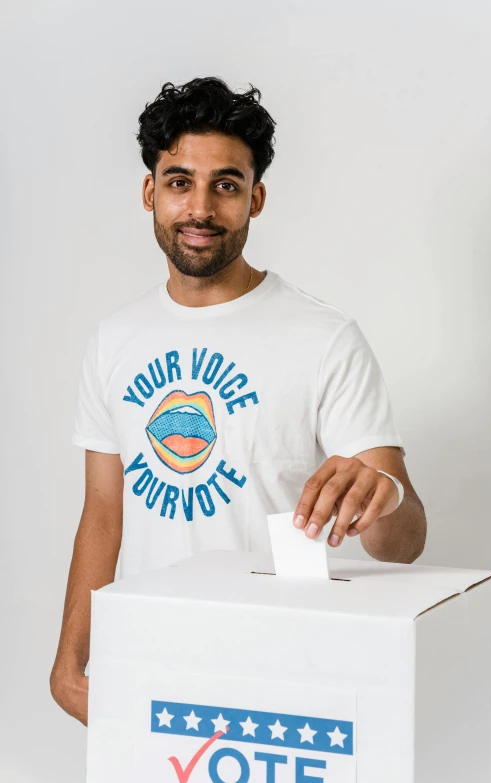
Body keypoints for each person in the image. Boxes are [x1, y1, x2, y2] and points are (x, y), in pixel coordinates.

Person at [50, 76, 426, 727]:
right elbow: (104, 513)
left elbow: (406, 541)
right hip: (148, 664)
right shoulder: (114, 340)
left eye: (225, 185)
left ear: (255, 198)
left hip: (279, 675)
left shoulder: (324, 338)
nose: (200, 207)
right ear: (150, 193)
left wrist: (382, 493)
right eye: (178, 181)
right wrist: (68, 661)